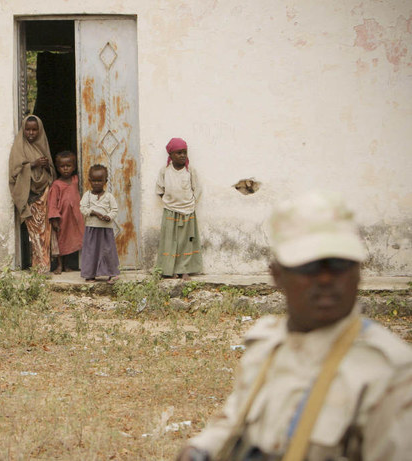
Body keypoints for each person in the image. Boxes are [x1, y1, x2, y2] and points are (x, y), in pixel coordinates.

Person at [176, 191, 412, 461]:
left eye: (339, 264)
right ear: (277, 275)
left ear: (359, 272)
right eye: (308, 266)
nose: (325, 278)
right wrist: (201, 449)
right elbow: (234, 422)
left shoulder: (390, 373)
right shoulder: (267, 347)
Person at [9, 114, 56, 273]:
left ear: (40, 131)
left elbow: (51, 171)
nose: (31, 133)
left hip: (44, 195)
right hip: (29, 195)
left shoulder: (42, 145)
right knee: (34, 232)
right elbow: (15, 173)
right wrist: (34, 164)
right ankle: (38, 267)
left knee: (45, 231)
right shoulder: (18, 147)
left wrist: (45, 166)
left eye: (34, 130)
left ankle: (44, 266)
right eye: (27, 129)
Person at [156, 137, 202, 280]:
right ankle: (170, 270)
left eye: (185, 152)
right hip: (170, 211)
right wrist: (169, 202)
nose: (183, 155)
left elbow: (198, 188)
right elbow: (159, 189)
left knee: (185, 242)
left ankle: (185, 270)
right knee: (170, 241)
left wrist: (191, 203)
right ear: (170, 155)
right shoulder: (165, 171)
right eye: (179, 153)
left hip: (188, 211)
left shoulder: (190, 171)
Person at [80, 164, 120, 283]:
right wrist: (93, 213)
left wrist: (109, 217)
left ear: (105, 181)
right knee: (91, 251)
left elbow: (114, 210)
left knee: (108, 251)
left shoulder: (109, 196)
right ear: (89, 181)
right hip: (91, 229)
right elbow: (83, 208)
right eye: (94, 181)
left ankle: (112, 274)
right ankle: (90, 274)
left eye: (100, 181)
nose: (96, 183)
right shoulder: (87, 195)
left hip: (105, 229)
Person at [48, 150, 85, 275]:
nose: (65, 169)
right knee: (61, 241)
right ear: (57, 168)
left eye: (68, 166)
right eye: (62, 166)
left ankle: (68, 265)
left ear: (74, 167)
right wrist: (54, 218)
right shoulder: (56, 185)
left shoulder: (76, 180)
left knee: (72, 241)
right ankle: (59, 265)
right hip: (62, 218)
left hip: (75, 217)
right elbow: (52, 203)